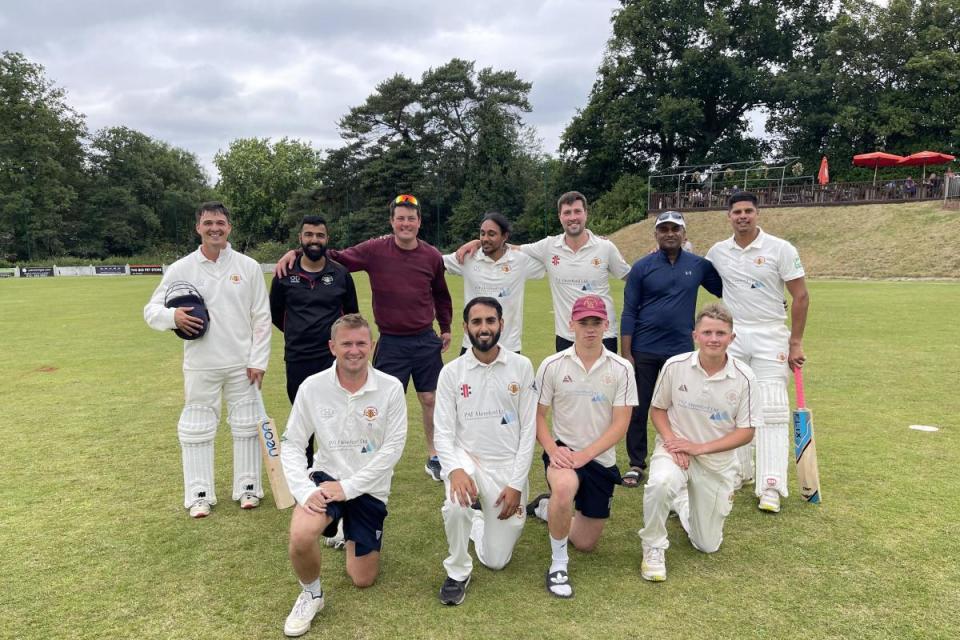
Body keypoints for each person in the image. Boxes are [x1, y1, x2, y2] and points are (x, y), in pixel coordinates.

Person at [276, 194, 453, 482]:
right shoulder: (375, 250)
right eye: (400, 218)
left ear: (419, 222)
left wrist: (445, 327)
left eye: (411, 218)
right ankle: (373, 458)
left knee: (430, 398)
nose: (405, 223)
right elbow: (336, 256)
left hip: (424, 339)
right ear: (392, 221)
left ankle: (435, 456)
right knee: (376, 401)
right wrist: (297, 253)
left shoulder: (431, 255)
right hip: (391, 340)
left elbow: (441, 294)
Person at [280, 314, 407, 637]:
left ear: (372, 346)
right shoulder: (313, 386)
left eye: (361, 343)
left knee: (362, 579)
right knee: (301, 535)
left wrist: (349, 488)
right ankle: (311, 595)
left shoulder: (391, 388)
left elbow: (392, 450)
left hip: (369, 486)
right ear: (332, 347)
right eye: (346, 343)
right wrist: (304, 490)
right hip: (325, 478)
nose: (354, 350)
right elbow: (292, 443)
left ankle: (344, 530)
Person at [144, 201, 271, 518]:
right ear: (198, 227)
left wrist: (259, 360)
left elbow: (261, 318)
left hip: (242, 363)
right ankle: (199, 495)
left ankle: (248, 487)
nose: (215, 228)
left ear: (229, 226)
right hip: (201, 363)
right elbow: (151, 311)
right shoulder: (181, 268)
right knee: (197, 426)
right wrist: (173, 316)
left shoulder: (248, 266)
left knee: (246, 424)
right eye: (208, 222)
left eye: (221, 222)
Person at [638, 303, 761, 582]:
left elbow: (746, 432)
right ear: (695, 335)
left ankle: (682, 502)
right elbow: (657, 409)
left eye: (721, 333)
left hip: (715, 461)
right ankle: (653, 546)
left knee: (707, 545)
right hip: (675, 451)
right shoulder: (675, 366)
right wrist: (672, 442)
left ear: (732, 337)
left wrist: (699, 449)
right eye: (707, 332)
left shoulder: (745, 378)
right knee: (660, 484)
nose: (714, 339)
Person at [527, 295, 638, 598]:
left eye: (596, 323)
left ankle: (546, 509)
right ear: (571, 324)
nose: (590, 329)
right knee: (563, 488)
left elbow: (620, 423)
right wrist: (552, 449)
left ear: (606, 325)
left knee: (586, 543)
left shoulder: (622, 368)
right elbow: (537, 416)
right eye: (583, 323)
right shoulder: (552, 364)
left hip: (599, 459)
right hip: (563, 451)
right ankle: (558, 564)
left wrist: (586, 455)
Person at [705, 192, 809, 513]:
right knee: (733, 403)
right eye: (737, 211)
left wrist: (795, 342)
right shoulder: (718, 252)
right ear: (729, 217)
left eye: (748, 211)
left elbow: (801, 296)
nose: (743, 216)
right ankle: (740, 471)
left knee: (773, 406)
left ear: (757, 213)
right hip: (733, 335)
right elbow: (697, 273)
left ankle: (771, 485)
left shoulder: (780, 248)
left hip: (770, 334)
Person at [434, 297, 537, 606]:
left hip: (507, 466)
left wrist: (517, 484)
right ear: (466, 328)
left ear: (501, 325)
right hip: (468, 459)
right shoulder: (452, 372)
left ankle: (478, 522)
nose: (484, 328)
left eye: (490, 321)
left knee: (496, 560)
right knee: (455, 504)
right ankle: (457, 570)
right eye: (476, 322)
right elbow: (442, 431)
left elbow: (529, 431)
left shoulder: (521, 366)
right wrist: (455, 470)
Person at [619, 211, 723, 488]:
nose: (669, 233)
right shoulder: (642, 267)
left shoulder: (699, 265)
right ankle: (636, 463)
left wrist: (772, 301)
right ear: (656, 234)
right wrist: (626, 353)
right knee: (638, 407)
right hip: (644, 348)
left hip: (681, 351)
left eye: (675, 229)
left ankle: (679, 454)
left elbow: (731, 289)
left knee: (682, 407)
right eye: (663, 229)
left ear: (684, 234)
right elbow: (629, 310)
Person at [457, 191, 631, 353]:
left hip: (603, 334)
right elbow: (510, 247)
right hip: (566, 336)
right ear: (560, 217)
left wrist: (656, 255)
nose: (572, 217)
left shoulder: (605, 247)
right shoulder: (548, 246)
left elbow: (631, 277)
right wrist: (480, 242)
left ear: (586, 213)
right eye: (567, 212)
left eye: (577, 211)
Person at [270, 215, 359, 462]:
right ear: (300, 238)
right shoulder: (284, 274)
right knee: (303, 419)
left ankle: (339, 471)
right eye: (309, 235)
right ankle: (305, 474)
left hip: (332, 359)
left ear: (327, 239)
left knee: (337, 418)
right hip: (298, 358)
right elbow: (276, 315)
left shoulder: (340, 274)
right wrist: (298, 332)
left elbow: (351, 317)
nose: (314, 240)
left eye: (319, 235)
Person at [442, 213, 545, 355]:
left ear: (505, 236)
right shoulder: (468, 257)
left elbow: (550, 260)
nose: (485, 239)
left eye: (491, 234)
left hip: (509, 347)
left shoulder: (520, 261)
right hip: (472, 345)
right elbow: (435, 262)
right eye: (482, 234)